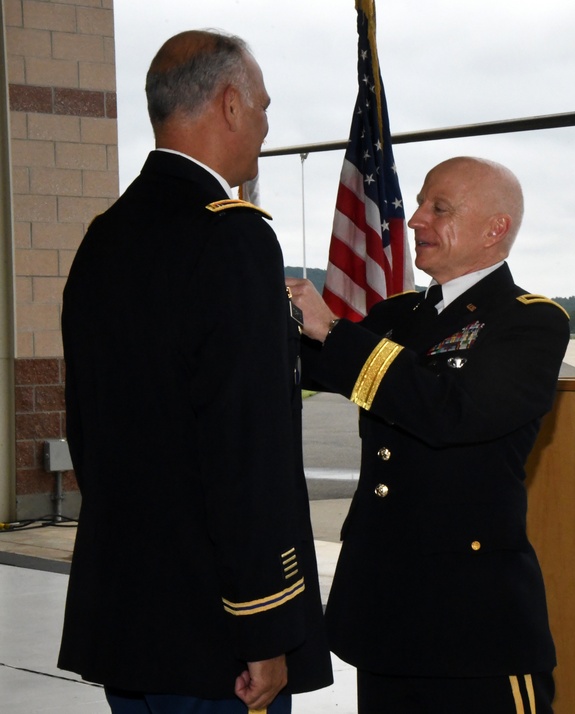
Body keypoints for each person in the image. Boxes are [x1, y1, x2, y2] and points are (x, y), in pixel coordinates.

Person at [59, 30, 333, 712]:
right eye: (264, 109)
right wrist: (265, 626)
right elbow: (246, 451)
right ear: (232, 106)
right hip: (218, 640)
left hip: (131, 619)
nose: (266, 128)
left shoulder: (106, 235)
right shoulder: (232, 236)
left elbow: (90, 434)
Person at [286, 156, 570, 713]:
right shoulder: (397, 315)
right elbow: (305, 364)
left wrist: (337, 332)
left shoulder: (530, 322)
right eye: (419, 204)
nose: (414, 220)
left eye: (438, 208)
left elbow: (450, 412)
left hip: (472, 619)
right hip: (386, 607)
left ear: (495, 229)